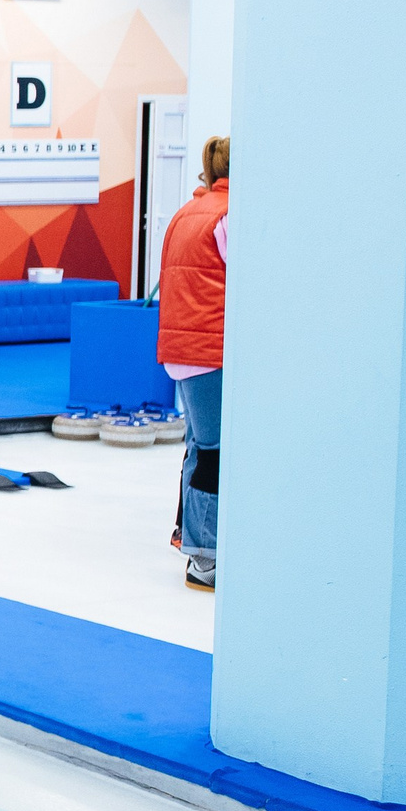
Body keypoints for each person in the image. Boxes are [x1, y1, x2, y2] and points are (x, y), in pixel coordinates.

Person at [156, 135, 229, 594]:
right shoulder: (228, 215)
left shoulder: (188, 211)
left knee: (199, 447)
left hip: (181, 351)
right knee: (214, 453)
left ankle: (194, 539)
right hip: (209, 351)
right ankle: (204, 559)